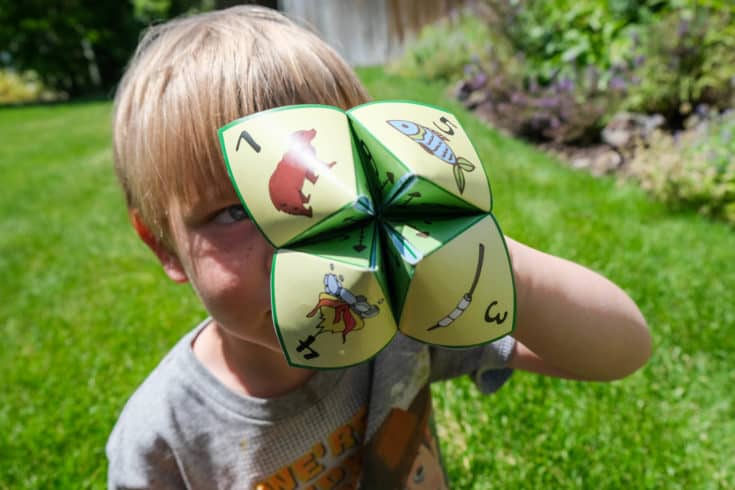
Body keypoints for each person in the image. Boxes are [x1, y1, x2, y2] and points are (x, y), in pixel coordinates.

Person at [106, 5, 651, 489]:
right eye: (233, 214)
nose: (299, 236)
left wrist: (475, 252)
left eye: (329, 182)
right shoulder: (164, 434)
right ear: (165, 249)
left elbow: (621, 349)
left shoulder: (401, 320)